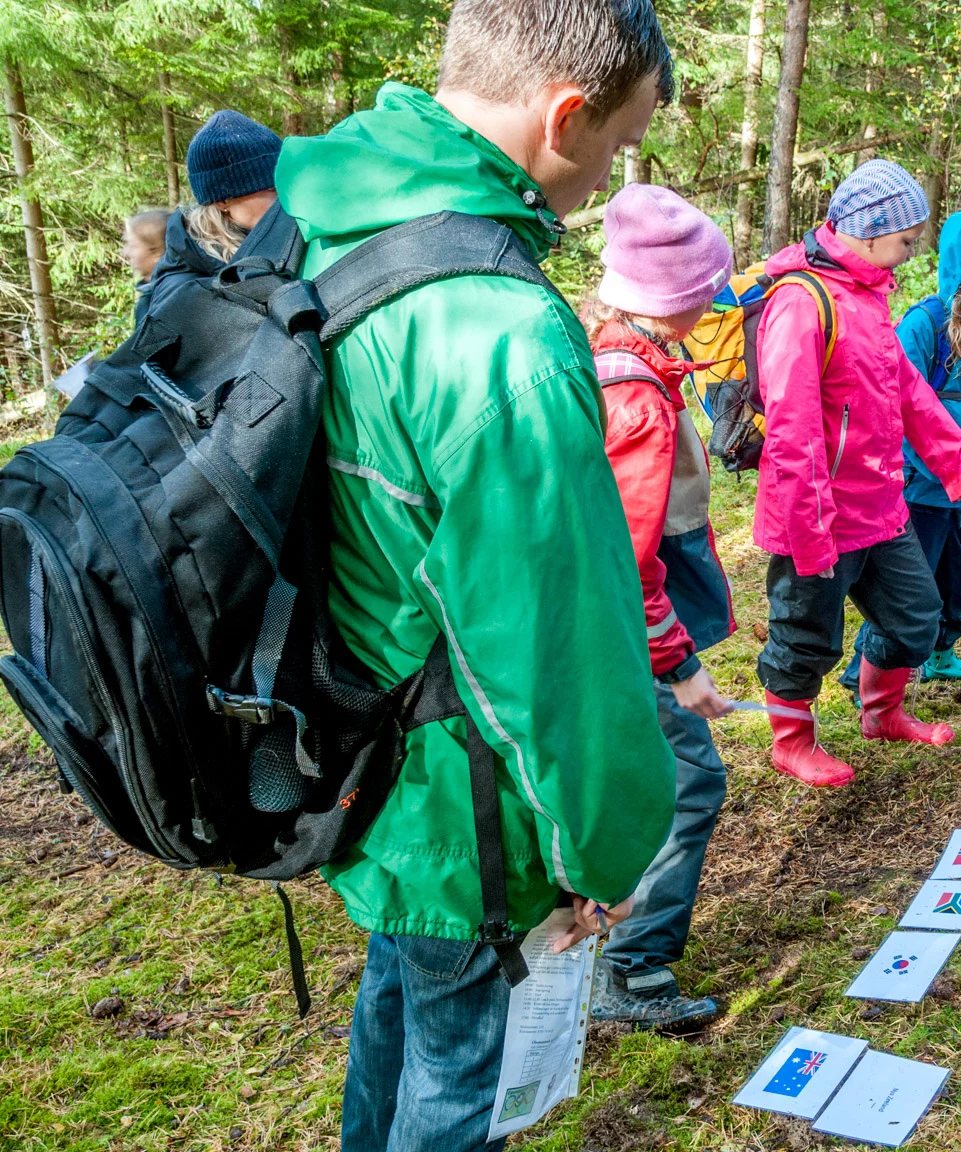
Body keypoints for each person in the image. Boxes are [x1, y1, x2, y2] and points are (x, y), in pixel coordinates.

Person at [274, 0, 681, 1146]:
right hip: (461, 799)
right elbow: (557, 653)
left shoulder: (325, 212)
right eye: (612, 145)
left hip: (347, 739)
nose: (601, 179)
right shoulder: (499, 335)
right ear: (564, 117)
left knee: (400, 1013)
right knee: (459, 1082)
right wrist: (595, 851)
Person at [753, 159, 961, 789]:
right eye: (907, 239)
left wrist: (957, 470)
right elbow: (792, 430)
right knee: (806, 636)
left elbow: (908, 393)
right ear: (868, 230)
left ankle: (881, 712)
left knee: (916, 615)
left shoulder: (867, 295)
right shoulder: (801, 304)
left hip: (880, 506)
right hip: (817, 518)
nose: (912, 253)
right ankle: (792, 743)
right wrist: (809, 535)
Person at [580, 184, 736, 1031]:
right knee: (690, 784)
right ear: (676, 298)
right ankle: (633, 971)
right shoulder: (636, 399)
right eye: (708, 289)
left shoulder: (606, 350)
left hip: (604, 630)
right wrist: (680, 667)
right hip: (626, 636)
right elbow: (630, 560)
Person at [839, 208, 961, 691]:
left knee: (960, 579)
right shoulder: (925, 325)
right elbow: (895, 405)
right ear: (956, 270)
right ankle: (865, 672)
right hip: (924, 486)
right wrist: (937, 471)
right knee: (906, 586)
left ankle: (942, 654)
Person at [148, 111, 283, 313]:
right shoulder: (182, 290)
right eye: (272, 188)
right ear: (222, 201)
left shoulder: (276, 238)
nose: (283, 198)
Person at [121, 208, 169, 325]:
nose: (125, 253)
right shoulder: (152, 295)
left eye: (133, 246)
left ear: (156, 252)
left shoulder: (168, 301)